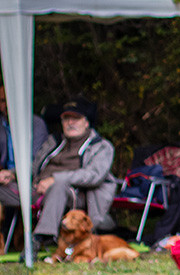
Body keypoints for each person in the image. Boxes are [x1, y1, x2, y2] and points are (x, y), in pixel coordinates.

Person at [0, 96, 118, 246]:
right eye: (66, 119)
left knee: (58, 186)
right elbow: (34, 166)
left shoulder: (101, 146)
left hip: (74, 193)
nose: (70, 123)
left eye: (76, 118)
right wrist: (12, 174)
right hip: (36, 189)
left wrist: (56, 179)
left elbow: (94, 175)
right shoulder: (54, 141)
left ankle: (40, 238)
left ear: (87, 122)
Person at [0, 82, 50, 194]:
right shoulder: (1, 124)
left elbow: (36, 161)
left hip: (30, 177)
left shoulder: (36, 124)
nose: (8, 104)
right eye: (3, 101)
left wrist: (13, 174)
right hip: (5, 176)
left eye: (11, 99)